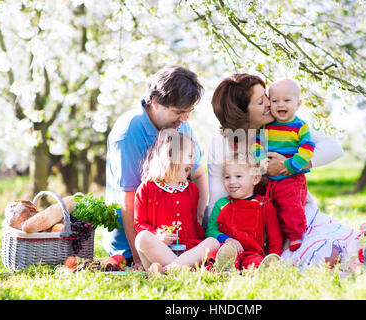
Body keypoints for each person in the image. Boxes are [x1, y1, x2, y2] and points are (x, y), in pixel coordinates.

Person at [208, 73, 359, 269]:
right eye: (262, 101)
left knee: (337, 255)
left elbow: (334, 148)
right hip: (254, 224)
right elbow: (218, 199)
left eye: (267, 97)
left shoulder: (284, 126)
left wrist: (289, 164)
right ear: (243, 113)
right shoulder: (223, 143)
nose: (271, 104)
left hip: (293, 216)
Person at [103, 65, 209, 267]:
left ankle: (177, 266)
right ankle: (179, 267)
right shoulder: (128, 133)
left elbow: (198, 174)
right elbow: (130, 199)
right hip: (137, 240)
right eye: (179, 112)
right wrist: (137, 258)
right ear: (156, 103)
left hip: (182, 239)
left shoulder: (180, 125)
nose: (185, 119)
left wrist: (197, 221)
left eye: (189, 112)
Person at [134, 129, 219, 274]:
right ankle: (183, 269)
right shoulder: (147, 188)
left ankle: (169, 270)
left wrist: (202, 244)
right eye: (190, 156)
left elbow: (195, 225)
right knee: (142, 238)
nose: (193, 163)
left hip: (189, 251)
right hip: (160, 252)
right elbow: (139, 223)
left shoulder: (192, 189)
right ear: (172, 156)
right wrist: (157, 235)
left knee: (213, 242)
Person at [252, 79, 315, 252]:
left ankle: (295, 234)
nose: (281, 104)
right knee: (270, 209)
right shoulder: (266, 126)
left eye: (287, 100)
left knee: (291, 206)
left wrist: (292, 165)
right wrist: (261, 158)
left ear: (298, 104)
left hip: (291, 178)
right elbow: (257, 144)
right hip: (270, 179)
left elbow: (308, 147)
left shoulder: (300, 126)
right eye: (275, 100)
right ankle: (272, 240)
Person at [205, 152, 282, 271]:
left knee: (255, 262)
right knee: (218, 256)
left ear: (255, 178)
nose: (231, 182)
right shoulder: (221, 204)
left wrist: (274, 258)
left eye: (238, 176)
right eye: (227, 177)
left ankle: (259, 269)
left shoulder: (264, 204)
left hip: (252, 253)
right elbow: (211, 230)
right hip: (227, 250)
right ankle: (224, 268)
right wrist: (227, 239)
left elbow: (275, 238)